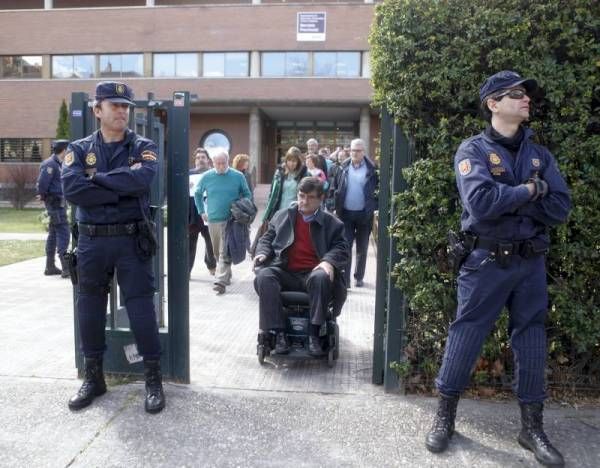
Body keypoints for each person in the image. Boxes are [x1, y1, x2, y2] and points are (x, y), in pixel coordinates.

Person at [425, 71, 571, 467]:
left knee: (532, 340)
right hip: (485, 261)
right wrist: (529, 190)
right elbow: (482, 204)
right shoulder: (472, 151)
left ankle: (532, 428)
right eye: (516, 95)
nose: (526, 100)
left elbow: (560, 208)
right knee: (466, 336)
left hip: (530, 262)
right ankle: (445, 417)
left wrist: (514, 195)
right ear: (493, 103)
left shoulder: (541, 155)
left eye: (526, 95)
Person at [61, 81, 165, 414]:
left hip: (130, 240)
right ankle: (94, 378)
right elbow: (73, 190)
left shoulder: (143, 146)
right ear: (97, 110)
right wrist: (120, 186)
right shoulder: (77, 150)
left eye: (125, 106)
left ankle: (153, 379)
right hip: (91, 240)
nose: (121, 111)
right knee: (89, 309)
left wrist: (97, 180)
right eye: (114, 105)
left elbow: (141, 179)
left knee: (141, 310)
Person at [254, 177, 348, 356]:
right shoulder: (282, 216)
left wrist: (327, 261)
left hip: (313, 273)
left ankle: (314, 335)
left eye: (310, 197)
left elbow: (342, 248)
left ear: (321, 198)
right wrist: (262, 252)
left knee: (321, 277)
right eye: (301, 196)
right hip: (285, 270)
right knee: (264, 276)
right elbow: (267, 238)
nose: (304, 201)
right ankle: (279, 334)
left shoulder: (333, 223)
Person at [194, 150, 252, 295]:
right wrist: (201, 211)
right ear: (212, 163)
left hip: (231, 220)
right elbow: (197, 193)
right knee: (216, 252)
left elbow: (247, 194)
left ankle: (220, 281)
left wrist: (240, 207)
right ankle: (226, 273)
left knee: (224, 252)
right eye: (217, 163)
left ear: (228, 161)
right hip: (213, 219)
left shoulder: (238, 176)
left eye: (223, 163)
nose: (220, 166)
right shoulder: (207, 176)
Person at [331, 138, 378, 288]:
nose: (354, 153)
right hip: (345, 214)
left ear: (363, 152)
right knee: (346, 246)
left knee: (362, 248)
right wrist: (332, 206)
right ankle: (346, 280)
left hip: (364, 215)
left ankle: (359, 277)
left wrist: (374, 207)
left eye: (358, 150)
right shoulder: (342, 168)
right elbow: (334, 188)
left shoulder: (372, 169)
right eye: (352, 150)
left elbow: (377, 192)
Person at [36, 139, 71, 278]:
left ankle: (50, 266)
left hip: (58, 203)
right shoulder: (50, 164)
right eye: (68, 149)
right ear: (63, 150)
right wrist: (43, 196)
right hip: (55, 204)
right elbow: (42, 184)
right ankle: (66, 268)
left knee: (54, 234)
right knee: (64, 233)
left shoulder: (59, 164)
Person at [188, 147, 216, 276]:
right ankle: (186, 271)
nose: (200, 160)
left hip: (209, 213)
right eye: (198, 158)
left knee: (211, 243)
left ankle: (212, 265)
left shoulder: (214, 174)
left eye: (203, 157)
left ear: (208, 160)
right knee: (190, 245)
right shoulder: (188, 174)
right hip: (192, 214)